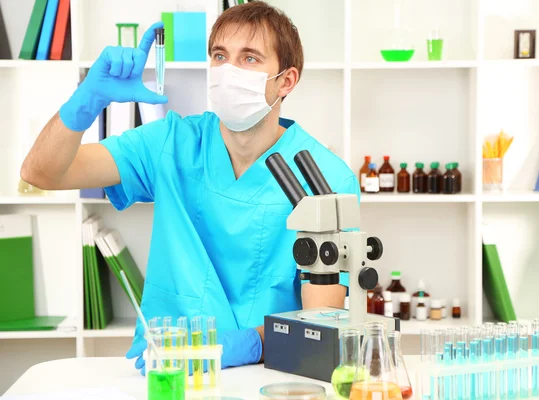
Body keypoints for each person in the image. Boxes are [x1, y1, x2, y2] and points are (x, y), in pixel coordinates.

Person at [20, 1, 359, 374]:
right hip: (167, 370)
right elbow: (43, 173)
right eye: (220, 55)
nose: (229, 71)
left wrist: (252, 343)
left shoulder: (325, 179)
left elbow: (321, 325)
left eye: (249, 59)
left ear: (286, 80)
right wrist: (87, 101)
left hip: (269, 374)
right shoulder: (172, 142)